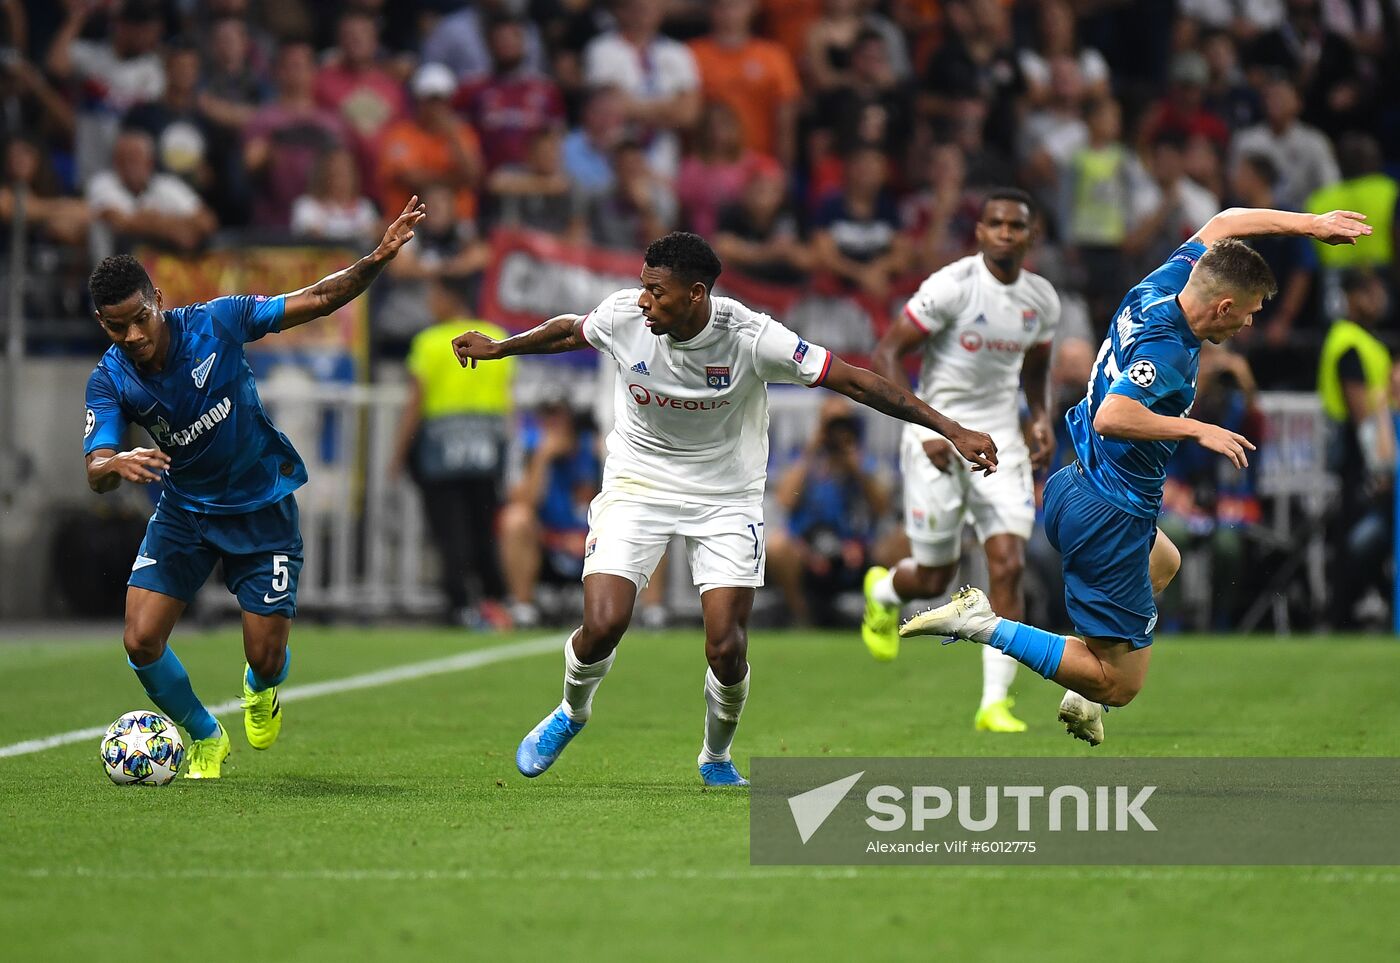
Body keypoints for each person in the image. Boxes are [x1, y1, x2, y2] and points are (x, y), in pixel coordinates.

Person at [450, 231, 998, 786]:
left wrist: (950, 429)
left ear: (696, 294)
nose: (643, 301)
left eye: (657, 292)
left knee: (725, 645)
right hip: (639, 483)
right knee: (603, 623)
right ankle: (571, 711)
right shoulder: (625, 316)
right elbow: (570, 330)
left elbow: (855, 381)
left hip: (726, 497)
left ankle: (715, 756)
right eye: (643, 287)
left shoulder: (752, 337)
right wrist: (501, 347)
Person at [899, 206, 1370, 746]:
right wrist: (1197, 431)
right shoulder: (1168, 349)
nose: (1249, 324)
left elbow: (1226, 220)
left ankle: (1079, 689)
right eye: (1249, 313)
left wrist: (1313, 225)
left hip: (1079, 485)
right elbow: (1112, 415)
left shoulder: (1169, 281)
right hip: (1109, 513)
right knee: (1118, 685)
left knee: (1165, 561)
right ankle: (982, 623)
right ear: (1222, 306)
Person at [82, 197, 426, 779]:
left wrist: (376, 258)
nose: (134, 334)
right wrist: (110, 467)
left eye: (140, 317)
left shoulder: (217, 322)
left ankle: (260, 684)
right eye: (118, 326)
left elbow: (316, 301)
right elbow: (96, 465)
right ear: (103, 324)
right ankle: (204, 737)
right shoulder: (109, 379)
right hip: (184, 511)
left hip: (261, 506)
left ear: (157, 299)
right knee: (140, 640)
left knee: (264, 656)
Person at [860, 189, 1061, 734]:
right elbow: (886, 354)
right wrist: (921, 427)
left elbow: (1036, 368)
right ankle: (882, 591)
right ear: (979, 231)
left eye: (1014, 226)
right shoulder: (952, 286)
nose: (1004, 233)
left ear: (1030, 235)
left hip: (1001, 442)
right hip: (936, 434)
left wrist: (1039, 417)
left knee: (1008, 564)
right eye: (994, 223)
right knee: (933, 577)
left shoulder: (1041, 300)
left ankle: (995, 702)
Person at [387, 288, 514, 627]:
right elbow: (507, 400)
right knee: (484, 528)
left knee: (450, 531)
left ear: (449, 297)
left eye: (434, 296)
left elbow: (416, 402)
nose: (430, 303)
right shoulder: (497, 337)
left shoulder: (431, 341)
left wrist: (398, 454)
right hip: (486, 447)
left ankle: (460, 605)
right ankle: (495, 600)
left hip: (441, 449)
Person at [767, 398, 889, 626]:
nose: (837, 431)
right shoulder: (805, 460)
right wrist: (812, 451)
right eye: (831, 423)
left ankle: (881, 617)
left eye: (842, 422)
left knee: (900, 542)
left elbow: (883, 508)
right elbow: (784, 500)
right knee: (777, 546)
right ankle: (803, 617)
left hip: (858, 551)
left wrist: (856, 466)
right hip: (809, 553)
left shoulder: (864, 462)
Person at [1318, 268, 1395, 628]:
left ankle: (1350, 611)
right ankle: (1340, 616)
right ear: (1352, 297)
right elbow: (1362, 410)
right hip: (1357, 456)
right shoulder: (1349, 342)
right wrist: (1380, 466)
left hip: (1364, 454)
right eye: (1370, 291)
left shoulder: (1362, 339)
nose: (1378, 299)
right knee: (1357, 539)